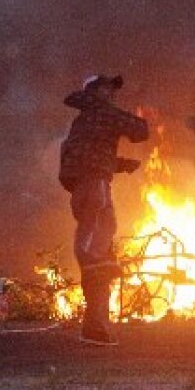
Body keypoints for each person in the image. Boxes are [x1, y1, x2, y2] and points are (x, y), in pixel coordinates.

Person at [59, 74, 149, 346]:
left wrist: (119, 164)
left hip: (90, 186)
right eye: (107, 88)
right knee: (94, 247)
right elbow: (140, 130)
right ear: (94, 91)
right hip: (94, 187)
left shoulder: (82, 121)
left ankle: (95, 327)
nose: (112, 93)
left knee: (102, 256)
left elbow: (85, 155)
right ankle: (92, 259)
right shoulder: (102, 114)